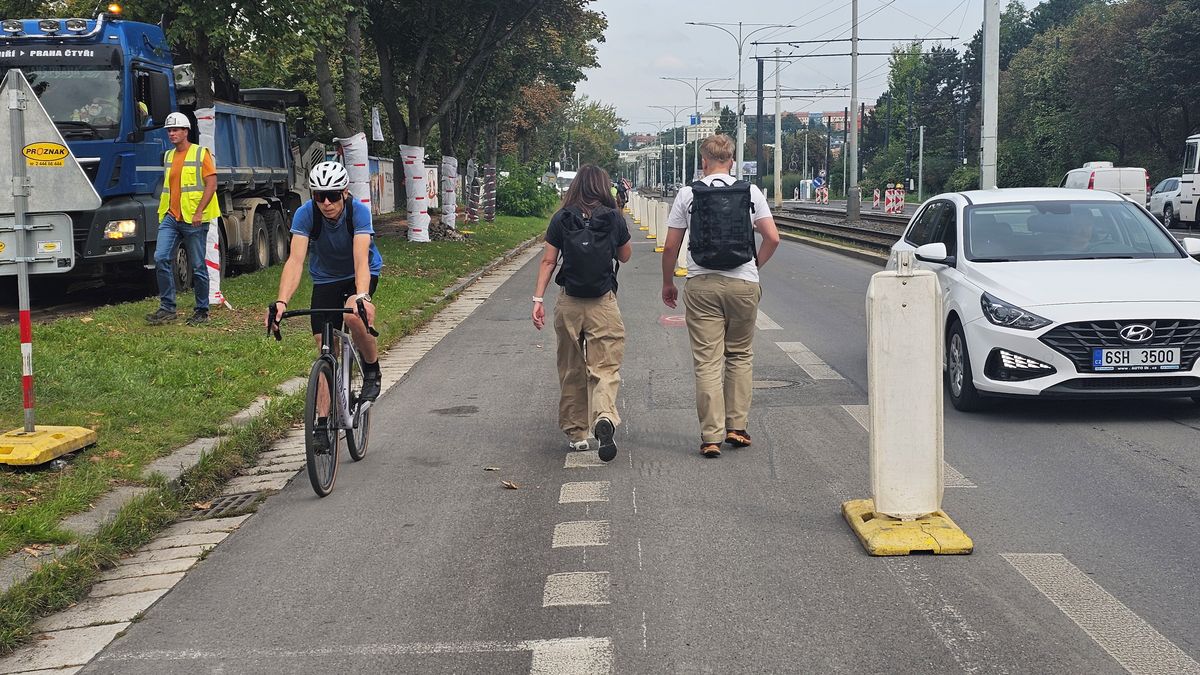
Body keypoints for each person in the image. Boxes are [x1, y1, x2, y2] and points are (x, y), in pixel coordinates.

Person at [661, 134, 781, 458]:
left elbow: (671, 246)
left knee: (707, 361)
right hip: (743, 284)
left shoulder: (688, 194)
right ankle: (737, 428)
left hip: (702, 285)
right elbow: (772, 238)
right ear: (731, 161)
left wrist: (667, 282)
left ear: (704, 161)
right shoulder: (751, 191)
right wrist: (755, 264)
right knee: (740, 355)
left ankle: (711, 436)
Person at [532, 164, 632, 462]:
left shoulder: (562, 218)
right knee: (604, 368)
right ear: (603, 187)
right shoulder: (613, 217)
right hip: (603, 303)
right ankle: (604, 417)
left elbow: (549, 262)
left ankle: (577, 433)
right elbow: (625, 257)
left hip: (569, 303)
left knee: (571, 368)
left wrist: (538, 299)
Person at [269, 162, 384, 414]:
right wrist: (281, 302)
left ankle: (372, 370)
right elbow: (295, 261)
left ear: (344, 193)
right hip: (325, 278)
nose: (326, 203)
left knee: (352, 314)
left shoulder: (359, 213)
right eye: (320, 196)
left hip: (359, 273)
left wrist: (363, 296)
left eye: (332, 195)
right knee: (324, 346)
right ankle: (322, 423)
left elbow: (360, 259)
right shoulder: (306, 214)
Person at [146, 112, 219, 326]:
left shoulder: (199, 153)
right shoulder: (169, 156)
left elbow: (212, 184)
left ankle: (202, 311)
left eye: (176, 130)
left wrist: (198, 212)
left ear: (186, 131)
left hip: (193, 218)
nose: (172, 133)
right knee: (160, 258)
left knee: (197, 265)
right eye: (169, 130)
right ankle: (167, 308)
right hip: (171, 216)